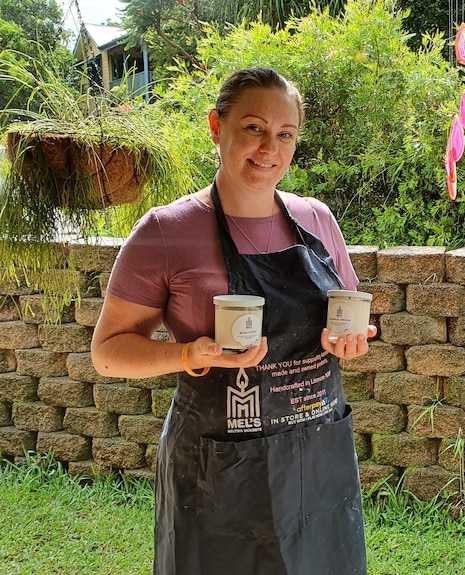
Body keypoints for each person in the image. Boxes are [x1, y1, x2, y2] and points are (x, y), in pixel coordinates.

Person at [91, 67, 375, 575]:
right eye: (253, 127)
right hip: (218, 468)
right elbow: (108, 352)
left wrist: (348, 341)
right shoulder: (166, 231)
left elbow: (346, 316)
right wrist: (186, 354)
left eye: (285, 134)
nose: (270, 147)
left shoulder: (317, 220)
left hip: (318, 457)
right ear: (215, 126)